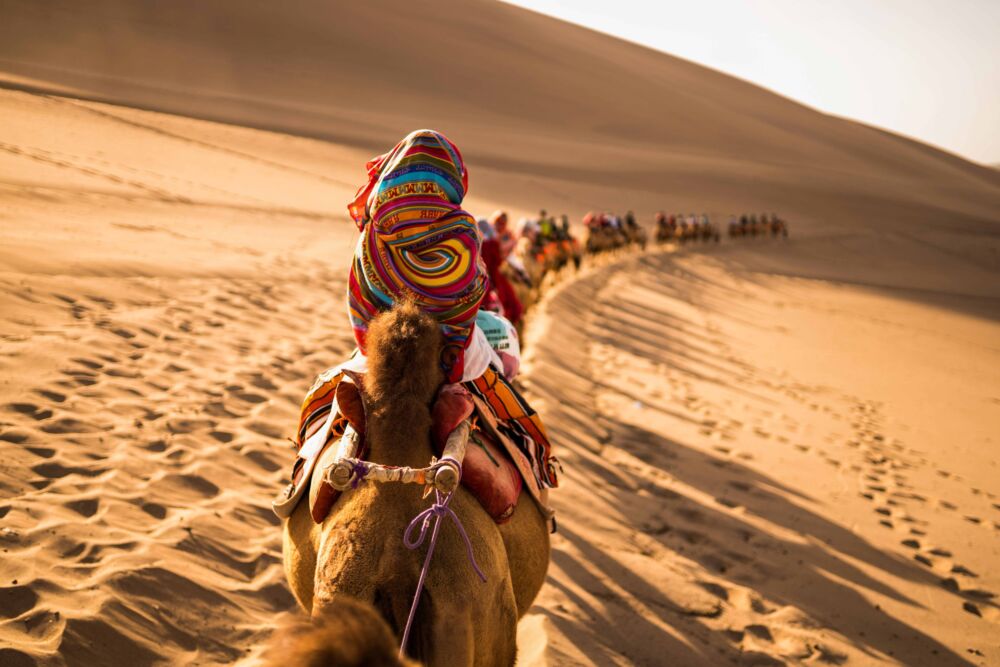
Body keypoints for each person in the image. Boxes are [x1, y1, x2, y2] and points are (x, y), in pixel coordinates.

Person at [296, 130, 558, 509]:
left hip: (379, 352)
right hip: (452, 359)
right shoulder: (463, 230)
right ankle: (534, 469)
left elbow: (358, 296)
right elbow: (474, 290)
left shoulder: (373, 230)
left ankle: (298, 480)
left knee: (316, 406)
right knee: (513, 412)